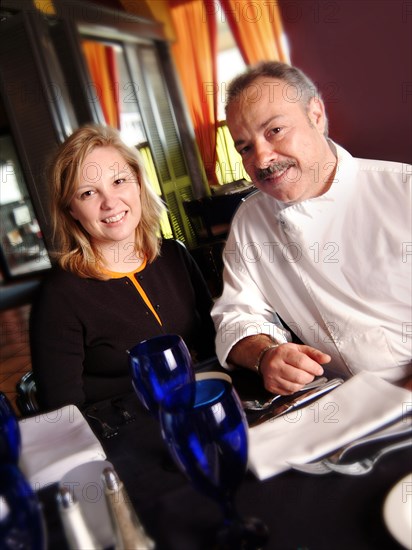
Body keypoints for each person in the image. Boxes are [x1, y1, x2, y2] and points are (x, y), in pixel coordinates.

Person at [212, 61, 411, 395]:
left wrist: (399, 402)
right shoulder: (251, 221)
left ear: (316, 115)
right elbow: (235, 315)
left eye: (274, 130)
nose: (261, 159)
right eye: (245, 147)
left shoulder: (403, 191)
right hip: (339, 403)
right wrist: (265, 355)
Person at [30, 124, 216, 411]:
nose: (109, 202)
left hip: (201, 407)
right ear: (71, 209)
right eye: (88, 193)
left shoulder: (175, 255)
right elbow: (64, 412)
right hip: (124, 437)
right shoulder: (59, 295)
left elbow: (215, 344)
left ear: (139, 183)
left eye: (118, 181)